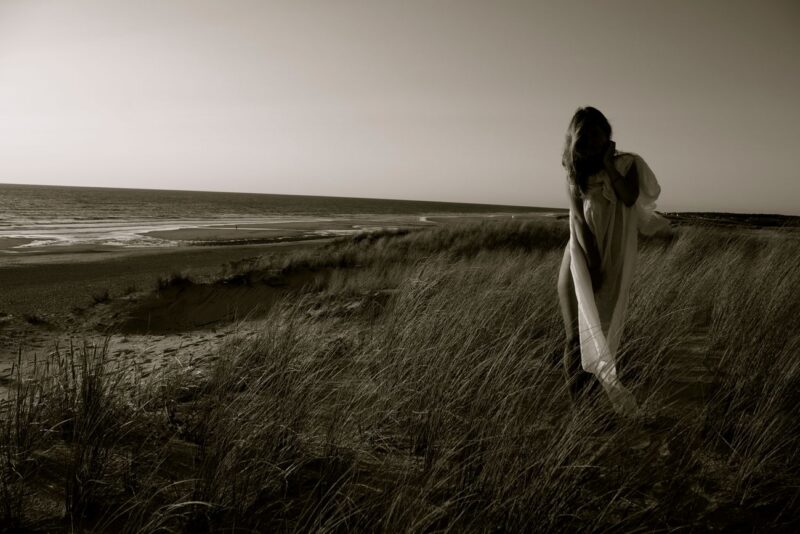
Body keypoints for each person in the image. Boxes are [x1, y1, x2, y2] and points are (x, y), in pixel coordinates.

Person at [556, 106, 671, 417]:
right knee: (574, 338)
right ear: (576, 140)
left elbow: (629, 197)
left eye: (599, 134)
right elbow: (578, 220)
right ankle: (581, 414)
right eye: (586, 136)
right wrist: (592, 261)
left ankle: (599, 409)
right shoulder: (574, 173)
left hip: (613, 261)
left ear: (607, 135)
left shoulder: (627, 164)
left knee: (601, 339)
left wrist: (608, 164)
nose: (593, 141)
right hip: (580, 256)